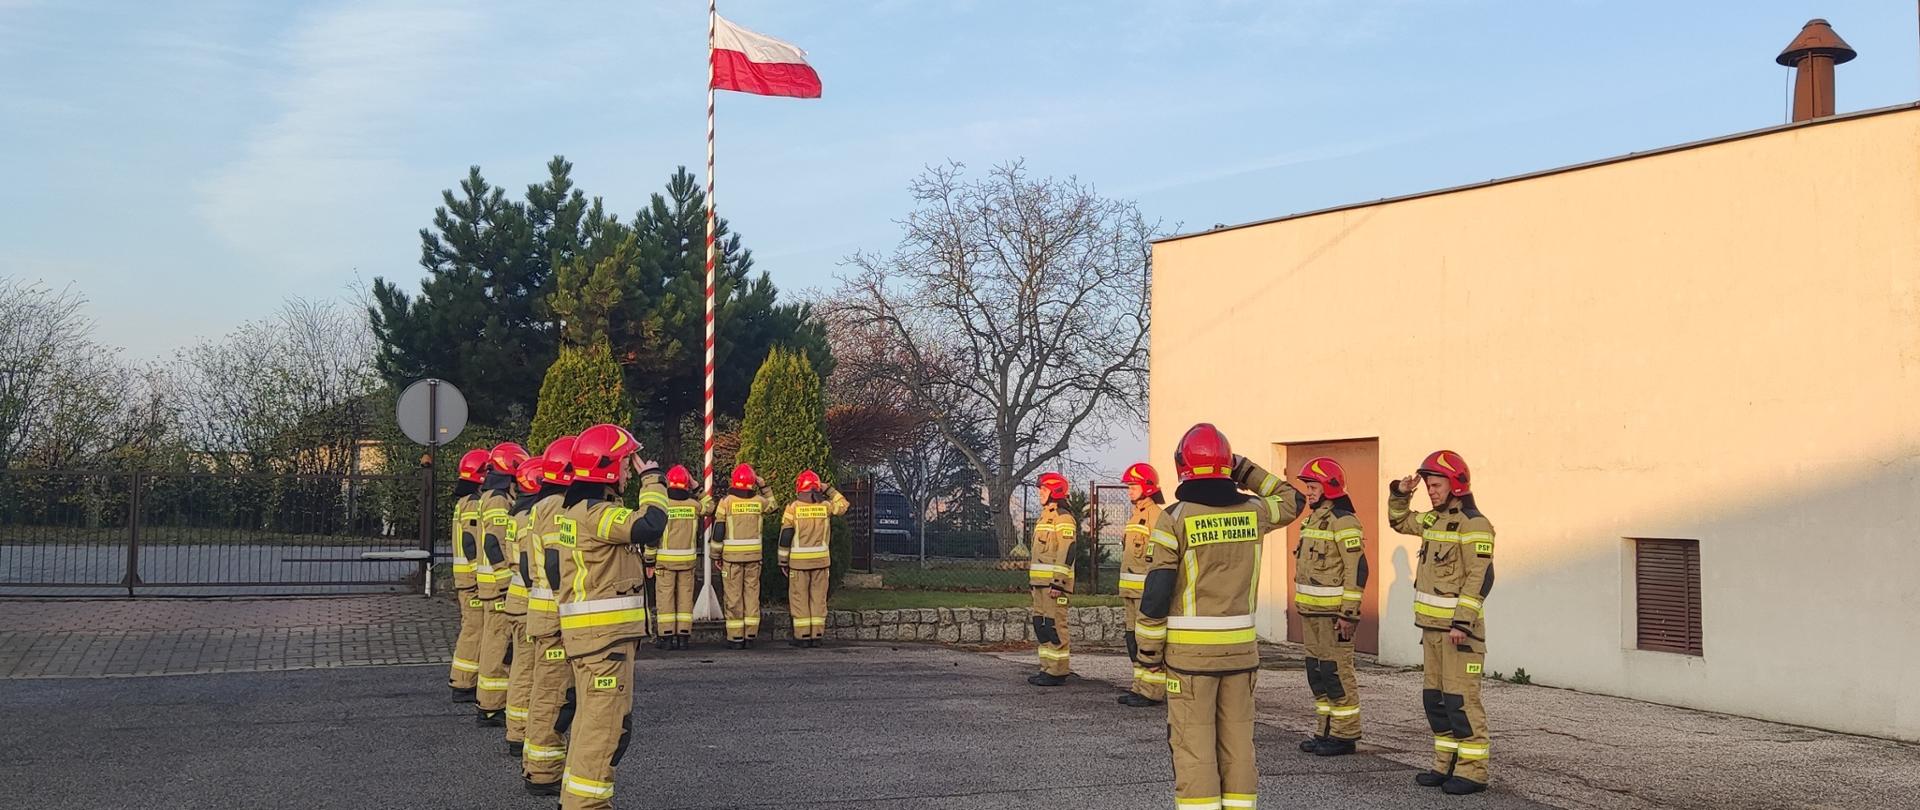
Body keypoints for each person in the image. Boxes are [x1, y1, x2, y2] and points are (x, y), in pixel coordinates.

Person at [1136, 423, 1306, 810]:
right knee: (1238, 745)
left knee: (1194, 746)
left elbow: (1158, 590)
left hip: (1190, 659)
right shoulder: (1255, 512)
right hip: (1241, 655)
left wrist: (1147, 651)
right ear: (1226, 466)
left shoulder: (1174, 518)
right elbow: (1293, 499)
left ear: (1182, 466)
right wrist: (1244, 469)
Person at [553, 423, 669, 809]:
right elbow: (650, 525)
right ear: (606, 468)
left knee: (589, 727)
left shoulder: (575, 513)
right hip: (604, 643)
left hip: (592, 640)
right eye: (623, 464)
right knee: (603, 733)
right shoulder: (597, 514)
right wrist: (652, 481)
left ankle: (573, 800)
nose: (626, 472)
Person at [1389, 450, 1495, 795]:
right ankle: (1444, 765)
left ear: (1457, 484)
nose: (1431, 491)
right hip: (1432, 631)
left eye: (1436, 485)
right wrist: (1401, 493)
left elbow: (1480, 577)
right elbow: (1399, 521)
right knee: (1435, 701)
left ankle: (1473, 772)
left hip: (1458, 634)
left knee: (1461, 703)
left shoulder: (1475, 525)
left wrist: (1462, 624)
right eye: (1429, 486)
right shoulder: (1433, 522)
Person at [1293, 456, 1369, 756]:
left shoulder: (1345, 521)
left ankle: (1345, 735)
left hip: (1335, 617)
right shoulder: (1312, 519)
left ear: (1330, 487)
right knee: (1318, 673)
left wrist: (1349, 614)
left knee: (1337, 673)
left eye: (1313, 486)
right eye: (1308, 487)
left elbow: (1357, 570)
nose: (1309, 492)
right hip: (1311, 614)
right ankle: (1324, 730)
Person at [520, 436, 577, 796]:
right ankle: (542, 772)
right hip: (556, 616)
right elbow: (556, 563)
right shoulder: (558, 508)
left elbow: (529, 568)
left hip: (542, 614)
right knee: (553, 696)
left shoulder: (539, 506)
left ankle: (537, 765)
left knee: (545, 691)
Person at [474, 442, 530, 726]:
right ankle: (491, 705)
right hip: (497, 586)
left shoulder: (491, 496)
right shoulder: (498, 500)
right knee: (497, 645)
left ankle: (489, 702)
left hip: (490, 583)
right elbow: (493, 543)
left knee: (493, 641)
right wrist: (506, 583)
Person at [502, 452, 552, 755]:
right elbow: (529, 565)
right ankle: (521, 732)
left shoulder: (515, 515)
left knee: (521, 668)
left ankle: (517, 729)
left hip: (516, 601)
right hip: (528, 602)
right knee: (529, 671)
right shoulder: (532, 516)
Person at [778, 470, 849, 647]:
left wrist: (782, 561)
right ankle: (817, 635)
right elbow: (843, 505)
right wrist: (828, 489)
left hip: (798, 563)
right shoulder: (825, 507)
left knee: (799, 598)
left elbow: (785, 535)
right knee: (818, 598)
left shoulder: (793, 508)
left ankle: (802, 636)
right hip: (821, 561)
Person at [1116, 462, 1167, 707]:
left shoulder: (1157, 517)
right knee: (1133, 641)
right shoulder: (1136, 515)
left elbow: (1160, 557)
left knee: (1149, 644)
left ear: (1147, 487)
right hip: (1130, 592)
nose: (1129, 490)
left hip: (1146, 593)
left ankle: (1152, 691)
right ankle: (1139, 686)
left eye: (1133, 486)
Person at [711, 464, 776, 648]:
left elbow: (718, 530)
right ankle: (750, 635)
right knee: (751, 595)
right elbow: (773, 505)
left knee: (733, 597)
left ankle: (735, 637)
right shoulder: (758, 502)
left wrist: (716, 555)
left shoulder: (726, 502)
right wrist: (764, 487)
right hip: (754, 558)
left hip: (731, 559)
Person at [447, 448, 492, 702]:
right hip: (472, 582)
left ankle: (464, 679)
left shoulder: (463, 502)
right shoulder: (475, 504)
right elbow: (470, 541)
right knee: (475, 630)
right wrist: (479, 574)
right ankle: (464, 683)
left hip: (465, 579)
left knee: (471, 628)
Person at [649, 465, 710, 650]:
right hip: (687, 561)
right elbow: (710, 506)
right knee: (685, 598)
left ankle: (666, 637)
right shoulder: (693, 505)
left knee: (665, 598)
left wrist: (649, 560)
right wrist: (697, 486)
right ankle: (683, 637)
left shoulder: (662, 506)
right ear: (686, 485)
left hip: (665, 562)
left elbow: (653, 535)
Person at [1026, 471, 1078, 687]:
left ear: (1055, 491)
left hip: (1053, 586)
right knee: (1041, 625)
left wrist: (1058, 583)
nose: (1040, 493)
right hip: (1040, 585)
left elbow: (1067, 551)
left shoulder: (1063, 518)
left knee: (1054, 626)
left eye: (1044, 490)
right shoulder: (1044, 517)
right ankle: (1046, 668)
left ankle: (1057, 671)